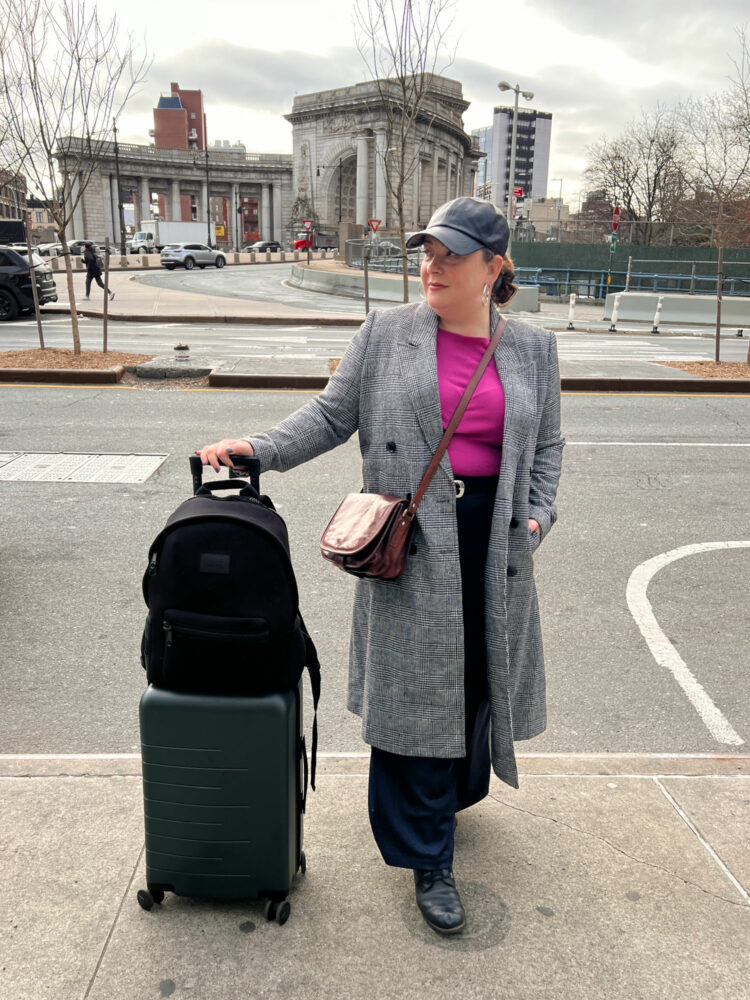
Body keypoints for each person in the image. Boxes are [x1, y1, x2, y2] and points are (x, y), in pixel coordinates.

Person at [197, 197, 564, 936]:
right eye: (425, 252)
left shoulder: (533, 350)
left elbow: (549, 445)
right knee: (418, 693)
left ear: (493, 269)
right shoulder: (387, 333)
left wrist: (538, 512)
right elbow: (332, 417)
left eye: (449, 255)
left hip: (494, 543)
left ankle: (450, 799)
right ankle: (427, 855)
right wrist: (258, 449)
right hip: (415, 537)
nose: (430, 266)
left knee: (472, 684)